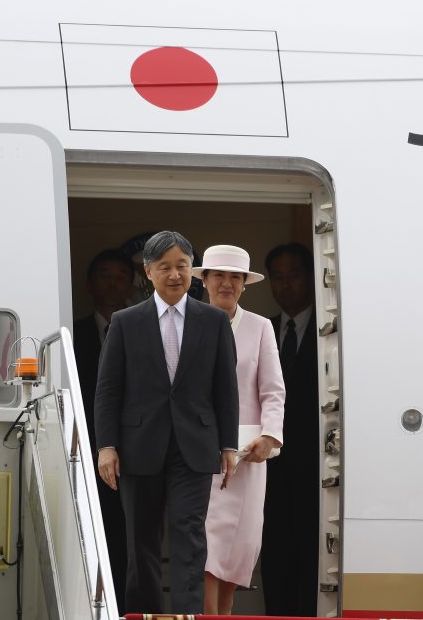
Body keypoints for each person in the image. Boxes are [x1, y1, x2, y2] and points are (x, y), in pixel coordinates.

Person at [94, 230, 239, 614]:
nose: (175, 275)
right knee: (141, 539)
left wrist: (229, 445)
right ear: (147, 271)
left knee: (189, 536)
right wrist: (106, 446)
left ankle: (189, 613)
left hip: (195, 445)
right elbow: (108, 389)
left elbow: (226, 389)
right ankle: (144, 612)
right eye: (165, 267)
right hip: (138, 446)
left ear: (192, 270)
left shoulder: (214, 321)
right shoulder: (125, 322)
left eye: (182, 266)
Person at [194, 245, 285, 614]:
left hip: (247, 456)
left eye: (236, 277)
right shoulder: (187, 323)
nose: (227, 283)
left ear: (245, 285)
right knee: (206, 546)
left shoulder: (261, 327)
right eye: (219, 275)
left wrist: (270, 435)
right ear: (204, 281)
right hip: (198, 452)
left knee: (240, 547)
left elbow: (273, 390)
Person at [72, 248, 134, 610]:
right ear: (89, 284)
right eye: (104, 275)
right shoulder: (72, 330)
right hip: (83, 451)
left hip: (134, 455)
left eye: (120, 276)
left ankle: (124, 610)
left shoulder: (147, 333)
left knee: (129, 542)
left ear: (130, 286)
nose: (112, 283)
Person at [261, 242, 320, 616]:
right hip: (269, 471)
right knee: (275, 560)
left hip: (317, 471)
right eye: (277, 277)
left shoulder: (334, 333)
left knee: (312, 561)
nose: (285, 285)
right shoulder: (263, 329)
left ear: (312, 277)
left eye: (293, 275)